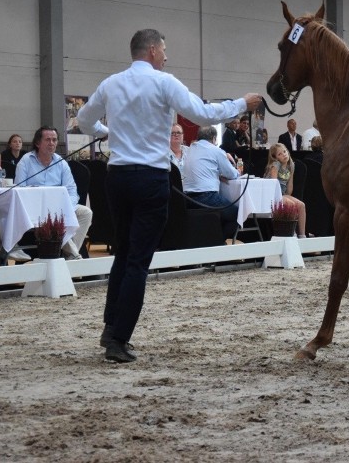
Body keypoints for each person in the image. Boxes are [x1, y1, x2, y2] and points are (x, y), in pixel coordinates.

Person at [76, 27, 261, 363]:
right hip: (149, 178)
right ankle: (119, 338)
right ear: (151, 51)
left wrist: (108, 132)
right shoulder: (164, 82)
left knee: (124, 251)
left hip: (116, 178)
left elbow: (83, 120)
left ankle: (110, 326)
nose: (166, 56)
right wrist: (241, 104)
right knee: (137, 261)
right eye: (163, 50)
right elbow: (202, 114)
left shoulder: (111, 83)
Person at [15, 126, 92, 260]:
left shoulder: (61, 163)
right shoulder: (26, 161)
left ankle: (70, 254)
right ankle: (73, 256)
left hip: (61, 207)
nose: (52, 143)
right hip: (35, 209)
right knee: (54, 218)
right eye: (48, 140)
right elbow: (19, 189)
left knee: (86, 213)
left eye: (54, 140)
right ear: (38, 143)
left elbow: (72, 191)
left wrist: (68, 207)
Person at [182, 125, 241, 241]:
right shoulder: (215, 150)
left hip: (187, 198)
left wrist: (217, 174)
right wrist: (237, 171)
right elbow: (231, 174)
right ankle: (218, 244)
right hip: (206, 197)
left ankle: (211, 241)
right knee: (237, 215)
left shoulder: (191, 149)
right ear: (214, 138)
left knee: (223, 214)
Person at [264, 143, 308, 238]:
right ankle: (292, 233)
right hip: (271, 194)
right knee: (291, 205)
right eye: (280, 154)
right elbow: (273, 185)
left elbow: (289, 189)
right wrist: (284, 199)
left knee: (301, 205)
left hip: (282, 194)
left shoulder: (291, 165)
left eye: (284, 151)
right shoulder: (275, 165)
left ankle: (302, 235)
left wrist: (287, 196)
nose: (284, 154)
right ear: (275, 158)